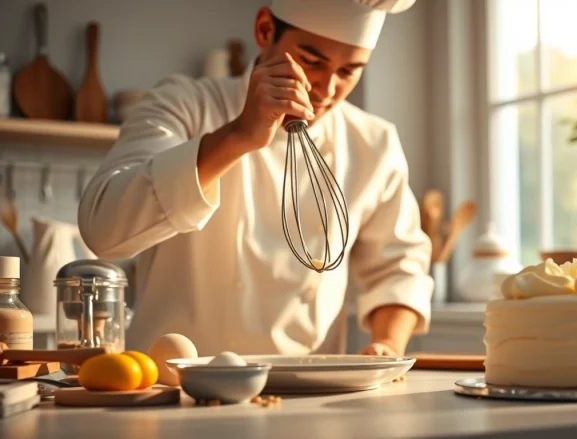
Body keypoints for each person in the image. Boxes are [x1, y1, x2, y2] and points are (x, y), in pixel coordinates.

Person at [78, 0, 434, 357]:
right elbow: (103, 231)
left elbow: (398, 268)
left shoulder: (373, 144)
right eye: (312, 63)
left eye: (349, 72)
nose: (326, 90)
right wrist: (237, 135)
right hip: (170, 391)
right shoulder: (183, 105)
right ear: (265, 29)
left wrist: (387, 343)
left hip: (303, 395)